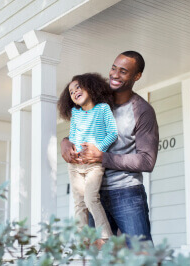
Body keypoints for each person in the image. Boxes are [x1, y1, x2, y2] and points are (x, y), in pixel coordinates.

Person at [60, 51, 159, 247]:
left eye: (123, 71)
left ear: (136, 76)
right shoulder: (95, 100)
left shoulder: (142, 110)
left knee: (141, 256)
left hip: (126, 194)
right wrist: (65, 142)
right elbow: (79, 132)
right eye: (114, 68)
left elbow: (147, 161)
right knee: (98, 255)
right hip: (92, 192)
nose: (115, 74)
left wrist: (102, 157)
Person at [57, 73, 118, 249]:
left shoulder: (103, 109)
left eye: (78, 87)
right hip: (75, 165)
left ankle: (106, 238)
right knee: (79, 203)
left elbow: (112, 133)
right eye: (71, 92)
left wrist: (99, 150)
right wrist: (71, 149)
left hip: (93, 165)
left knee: (91, 199)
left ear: (90, 88)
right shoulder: (76, 114)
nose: (74, 92)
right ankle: (82, 241)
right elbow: (74, 136)